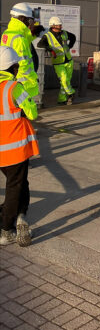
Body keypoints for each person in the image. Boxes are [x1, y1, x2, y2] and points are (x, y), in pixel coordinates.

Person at [0, 48, 38, 247]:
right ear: (13, 67)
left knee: (20, 183)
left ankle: (21, 215)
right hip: (14, 148)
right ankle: (6, 230)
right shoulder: (15, 87)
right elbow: (32, 113)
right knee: (15, 186)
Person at [2, 4, 40, 116]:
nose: (30, 23)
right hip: (23, 82)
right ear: (23, 19)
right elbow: (24, 64)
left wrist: (31, 35)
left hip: (10, 79)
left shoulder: (7, 33)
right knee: (24, 111)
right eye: (29, 20)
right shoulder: (20, 38)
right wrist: (33, 79)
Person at [42, 17, 77, 105]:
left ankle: (62, 99)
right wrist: (51, 50)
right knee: (64, 80)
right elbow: (41, 44)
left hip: (68, 60)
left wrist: (70, 46)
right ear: (53, 25)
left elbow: (73, 37)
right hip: (58, 63)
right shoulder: (47, 36)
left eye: (61, 25)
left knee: (66, 82)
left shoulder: (64, 33)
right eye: (59, 25)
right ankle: (71, 92)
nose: (61, 26)